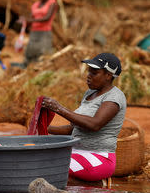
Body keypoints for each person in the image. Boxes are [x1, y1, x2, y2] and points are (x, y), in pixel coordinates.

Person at [41, 53, 126, 182]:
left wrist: (58, 108)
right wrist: (45, 128)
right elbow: (73, 128)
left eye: (94, 73)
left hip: (99, 157)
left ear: (108, 76)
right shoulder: (90, 93)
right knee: (38, 159)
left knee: (49, 166)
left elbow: (94, 125)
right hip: (76, 152)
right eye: (88, 71)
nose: (88, 76)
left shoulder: (114, 97)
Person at [20, 0, 58, 65]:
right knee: (30, 53)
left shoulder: (52, 3)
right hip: (34, 32)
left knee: (44, 55)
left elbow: (47, 18)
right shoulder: (35, 5)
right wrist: (24, 21)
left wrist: (30, 21)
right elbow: (30, 18)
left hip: (45, 33)